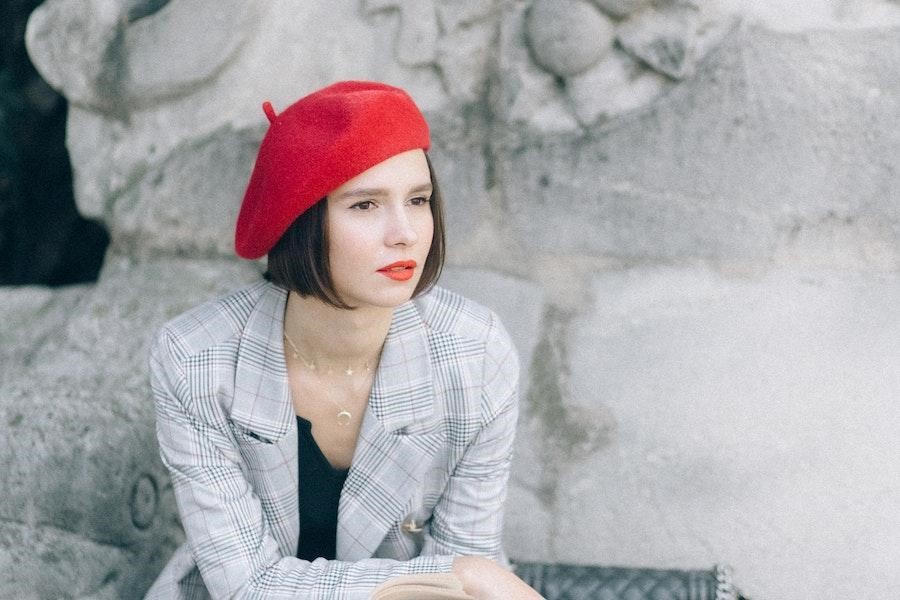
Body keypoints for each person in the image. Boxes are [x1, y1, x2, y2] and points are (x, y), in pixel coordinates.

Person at [144, 81, 542, 599]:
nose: (404, 232)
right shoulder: (197, 358)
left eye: (418, 200)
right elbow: (246, 586)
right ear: (301, 220)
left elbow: (468, 562)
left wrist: (462, 577)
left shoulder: (475, 352)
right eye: (365, 205)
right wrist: (454, 577)